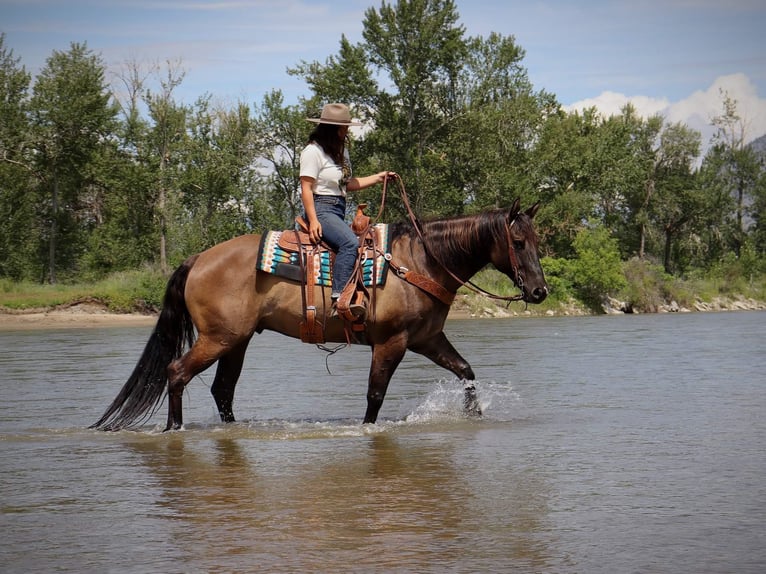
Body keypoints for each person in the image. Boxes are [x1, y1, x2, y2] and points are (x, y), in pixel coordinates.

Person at [300, 103, 394, 319]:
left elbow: (347, 184)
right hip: (321, 208)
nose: (348, 130)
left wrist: (379, 177)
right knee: (350, 243)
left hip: (338, 208)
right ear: (333, 129)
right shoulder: (313, 152)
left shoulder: (341, 153)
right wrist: (314, 220)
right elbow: (305, 187)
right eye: (345, 127)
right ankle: (339, 299)